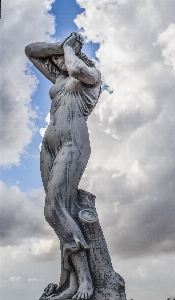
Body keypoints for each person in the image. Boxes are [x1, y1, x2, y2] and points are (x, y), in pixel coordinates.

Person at [25, 33, 101, 300]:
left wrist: (69, 50)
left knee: (53, 209)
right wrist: (60, 46)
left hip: (73, 142)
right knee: (62, 214)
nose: (56, 63)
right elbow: (31, 50)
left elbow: (77, 68)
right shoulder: (59, 80)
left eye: (61, 59)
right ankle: (69, 283)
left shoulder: (90, 76)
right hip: (49, 146)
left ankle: (86, 280)